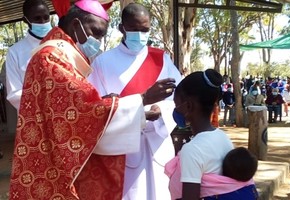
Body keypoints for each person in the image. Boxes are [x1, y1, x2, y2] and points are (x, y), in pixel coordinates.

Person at [9, 1, 176, 199]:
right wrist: (143, 99)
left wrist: (112, 104)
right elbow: (80, 113)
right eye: (95, 32)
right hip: (52, 160)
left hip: (151, 144)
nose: (97, 41)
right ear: (76, 25)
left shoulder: (60, 55)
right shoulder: (51, 58)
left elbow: (77, 105)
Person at [88, 3, 182, 200]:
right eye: (134, 29)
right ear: (122, 28)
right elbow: (96, 108)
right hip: (124, 149)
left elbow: (179, 97)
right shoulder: (102, 63)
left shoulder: (161, 59)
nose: (140, 34)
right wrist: (138, 113)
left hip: (158, 142)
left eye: (145, 29)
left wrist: (163, 109)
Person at [164, 69, 258, 200]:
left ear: (189, 106)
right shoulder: (222, 137)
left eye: (176, 104)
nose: (176, 110)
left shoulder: (192, 150)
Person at [6, 0, 52, 111]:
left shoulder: (61, 44)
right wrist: (45, 104)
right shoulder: (15, 52)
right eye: (37, 18)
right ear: (25, 20)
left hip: (63, 115)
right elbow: (14, 94)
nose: (43, 22)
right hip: (33, 117)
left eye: (46, 17)